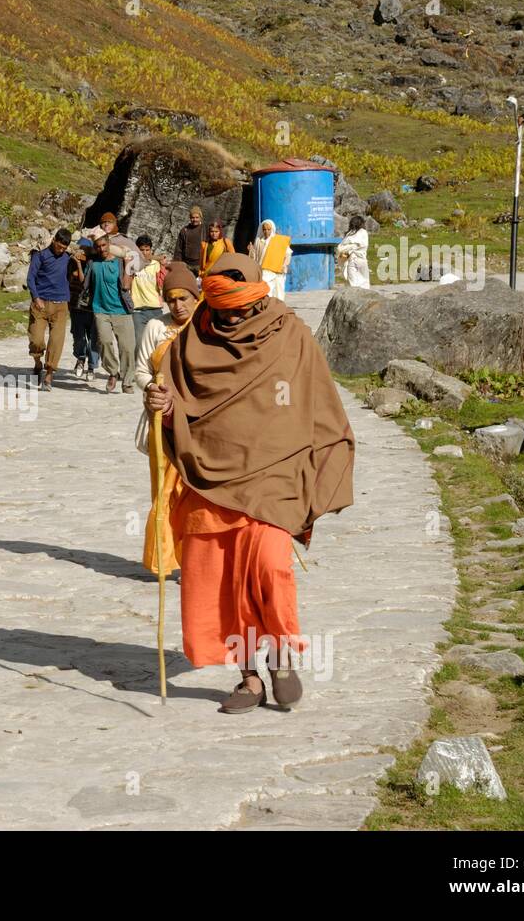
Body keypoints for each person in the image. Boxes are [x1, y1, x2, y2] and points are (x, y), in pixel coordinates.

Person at [144, 252, 354, 715]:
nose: (233, 315)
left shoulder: (290, 335)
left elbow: (317, 399)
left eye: (240, 305)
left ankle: (280, 658)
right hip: (208, 476)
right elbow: (177, 405)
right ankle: (248, 678)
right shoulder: (189, 344)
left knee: (268, 568)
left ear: (258, 292)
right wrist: (160, 403)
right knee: (217, 581)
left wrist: (323, 463)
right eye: (223, 307)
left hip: (275, 475)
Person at [135, 262, 201, 577]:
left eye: (183, 298)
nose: (177, 305)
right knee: (163, 490)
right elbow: (140, 370)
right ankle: (163, 558)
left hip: (198, 424)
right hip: (162, 422)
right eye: (171, 299)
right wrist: (152, 388)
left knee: (192, 491)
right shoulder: (155, 329)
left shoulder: (207, 327)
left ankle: (194, 560)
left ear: (195, 297)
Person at [86, 233, 135, 394]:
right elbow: (84, 282)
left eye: (104, 245)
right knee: (104, 343)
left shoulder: (120, 263)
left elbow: (126, 286)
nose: (102, 249)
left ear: (109, 244)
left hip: (121, 310)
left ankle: (127, 381)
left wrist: (128, 266)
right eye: (98, 246)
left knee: (127, 348)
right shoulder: (93, 263)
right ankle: (113, 372)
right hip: (100, 310)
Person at [26, 228, 71, 391]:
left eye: (65, 247)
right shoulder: (40, 256)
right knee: (36, 339)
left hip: (61, 305)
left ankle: (48, 376)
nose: (61, 250)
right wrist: (36, 298)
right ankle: (38, 362)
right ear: (54, 241)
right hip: (41, 303)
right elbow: (30, 277)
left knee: (56, 341)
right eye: (60, 246)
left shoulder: (68, 257)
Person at [68, 235, 100, 380]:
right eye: (80, 248)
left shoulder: (95, 264)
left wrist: (80, 266)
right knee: (79, 336)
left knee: (94, 339)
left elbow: (83, 282)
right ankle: (80, 359)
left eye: (85, 248)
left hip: (93, 308)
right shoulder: (71, 262)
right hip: (76, 306)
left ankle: (92, 367)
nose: (82, 251)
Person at [129, 235, 166, 346]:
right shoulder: (131, 265)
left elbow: (162, 283)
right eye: (141, 250)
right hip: (137, 310)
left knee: (156, 343)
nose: (145, 252)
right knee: (139, 342)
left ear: (151, 250)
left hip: (155, 308)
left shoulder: (156, 265)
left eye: (147, 250)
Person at [249, 219, 291, 300]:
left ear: (272, 229)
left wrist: (284, 265)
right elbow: (254, 258)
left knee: (279, 293)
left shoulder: (278, 241)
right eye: (264, 229)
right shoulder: (258, 241)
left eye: (268, 229)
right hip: (264, 271)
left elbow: (288, 253)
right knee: (267, 292)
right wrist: (251, 250)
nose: (266, 232)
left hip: (278, 271)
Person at [97, 212, 144, 277]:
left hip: (117, 278)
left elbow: (140, 263)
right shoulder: (95, 238)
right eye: (103, 222)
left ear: (115, 224)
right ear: (100, 225)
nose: (106, 224)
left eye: (110, 222)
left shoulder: (123, 240)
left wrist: (128, 272)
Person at [336, 215, 371, 289]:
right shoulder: (364, 233)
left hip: (353, 261)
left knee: (353, 283)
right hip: (362, 261)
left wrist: (350, 249)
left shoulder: (350, 235)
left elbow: (340, 248)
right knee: (365, 283)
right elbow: (363, 245)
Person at [174, 205, 206, 273]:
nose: (195, 220)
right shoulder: (184, 230)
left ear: (201, 218)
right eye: (192, 217)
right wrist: (177, 264)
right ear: (190, 218)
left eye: (197, 217)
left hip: (200, 265)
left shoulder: (205, 230)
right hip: (186, 264)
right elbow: (178, 249)